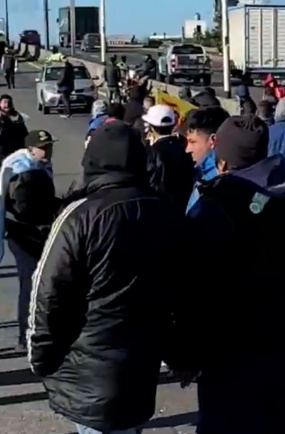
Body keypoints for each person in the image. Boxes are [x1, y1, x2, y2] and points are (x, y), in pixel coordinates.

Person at [28, 121, 185, 434]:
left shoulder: (80, 216)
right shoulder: (164, 213)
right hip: (141, 367)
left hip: (89, 372)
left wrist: (40, 357)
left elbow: (48, 293)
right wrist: (181, 353)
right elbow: (183, 291)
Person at [176, 116, 285, 433]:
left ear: (221, 160)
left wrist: (183, 352)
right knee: (281, 421)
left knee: (224, 423)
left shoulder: (218, 204)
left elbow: (194, 285)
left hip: (231, 343)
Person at [0, 130, 58, 351]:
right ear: (31, 148)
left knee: (39, 279)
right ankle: (25, 335)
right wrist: (52, 208)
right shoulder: (22, 170)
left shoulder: (38, 165)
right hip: (23, 234)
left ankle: (36, 329)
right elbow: (24, 208)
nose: (48, 151)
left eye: (50, 146)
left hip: (33, 232)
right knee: (30, 280)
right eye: (44, 147)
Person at [146, 105, 195, 210]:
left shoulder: (152, 151)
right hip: (185, 204)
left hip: (161, 207)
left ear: (151, 127)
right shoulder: (185, 147)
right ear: (173, 125)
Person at [184, 106, 231, 213]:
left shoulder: (216, 180)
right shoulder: (202, 173)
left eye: (192, 142)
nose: (187, 149)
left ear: (213, 140)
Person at [0, 94, 28, 160]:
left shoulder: (17, 118)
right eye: (5, 102)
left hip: (15, 152)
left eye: (9, 102)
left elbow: (24, 134)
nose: (7, 104)